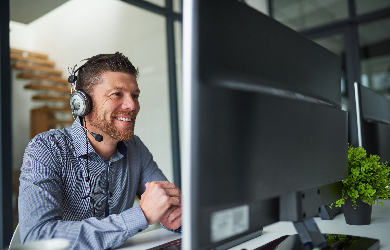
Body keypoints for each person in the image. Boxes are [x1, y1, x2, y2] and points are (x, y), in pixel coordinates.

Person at [18, 52, 182, 249]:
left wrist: (177, 217)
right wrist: (142, 215)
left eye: (135, 95)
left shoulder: (135, 148)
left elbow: (169, 207)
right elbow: (38, 237)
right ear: (82, 103)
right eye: (117, 94)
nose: (132, 105)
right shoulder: (46, 149)